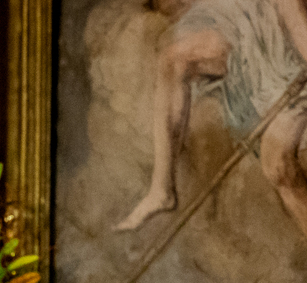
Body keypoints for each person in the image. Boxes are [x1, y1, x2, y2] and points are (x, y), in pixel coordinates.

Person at [115, 0, 307, 237]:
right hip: (262, 49)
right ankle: (161, 189)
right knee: (278, 167)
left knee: (277, 162)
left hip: (292, 41)